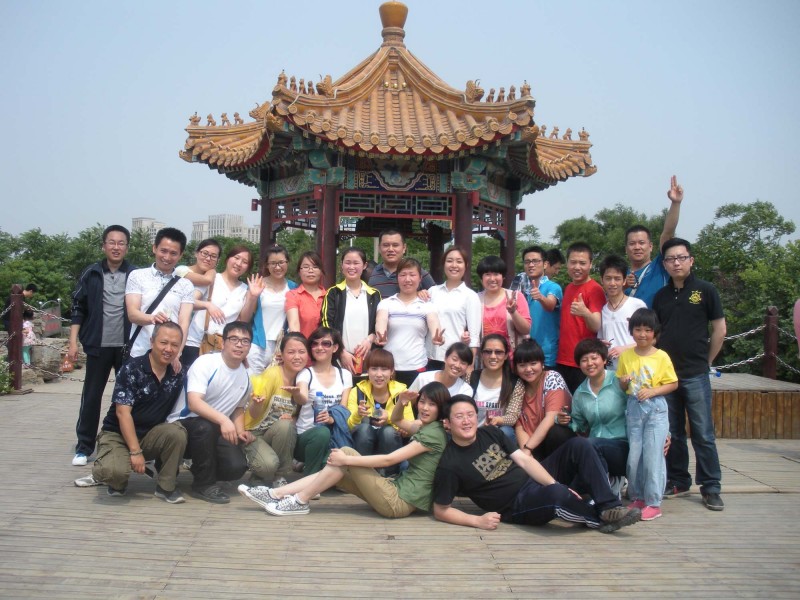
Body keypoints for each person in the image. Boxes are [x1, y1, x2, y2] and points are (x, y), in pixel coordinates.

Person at [432, 395, 641, 533]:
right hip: (517, 504)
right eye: (459, 417)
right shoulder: (450, 464)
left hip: (532, 479)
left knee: (579, 445)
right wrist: (477, 521)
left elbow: (524, 460)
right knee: (557, 496)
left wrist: (553, 483)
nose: (467, 421)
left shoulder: (490, 433)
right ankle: (599, 519)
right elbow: (440, 510)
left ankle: (609, 506)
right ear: (447, 423)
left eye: (470, 415)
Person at [238, 381, 448, 518]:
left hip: (398, 502)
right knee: (335, 471)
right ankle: (276, 494)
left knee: (346, 453)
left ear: (441, 408)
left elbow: (389, 460)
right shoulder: (426, 426)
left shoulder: (433, 434)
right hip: (395, 491)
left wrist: (347, 460)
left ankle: (299, 501)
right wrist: (401, 402)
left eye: (432, 404)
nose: (424, 408)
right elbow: (398, 420)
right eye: (422, 402)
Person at [75, 322, 187, 503]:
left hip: (150, 435)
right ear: (152, 341)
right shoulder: (132, 369)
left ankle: (166, 486)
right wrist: (135, 452)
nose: (169, 349)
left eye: (175, 345)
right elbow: (122, 413)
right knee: (114, 474)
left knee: (177, 432)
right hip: (117, 434)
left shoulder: (178, 373)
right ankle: (109, 470)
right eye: (163, 343)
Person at [653, 238, 726, 511]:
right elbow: (655, 334)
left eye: (681, 257)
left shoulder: (705, 290)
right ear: (664, 264)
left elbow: (720, 329)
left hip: (695, 373)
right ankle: (678, 480)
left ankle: (711, 486)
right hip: (667, 376)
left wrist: (707, 361)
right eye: (670, 259)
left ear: (691, 260)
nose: (676, 263)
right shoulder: (660, 296)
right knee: (672, 432)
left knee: (703, 433)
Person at [68, 225, 137, 466]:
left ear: (127, 247)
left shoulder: (135, 274)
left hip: (127, 347)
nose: (116, 247)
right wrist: (73, 342)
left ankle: (127, 444)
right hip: (98, 345)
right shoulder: (92, 273)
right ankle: (84, 447)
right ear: (104, 246)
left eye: (121, 243)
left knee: (127, 399)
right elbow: (78, 308)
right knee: (91, 396)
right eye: (112, 242)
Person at [166, 321, 253, 503]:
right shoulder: (206, 362)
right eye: (234, 339)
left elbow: (238, 407)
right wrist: (224, 420)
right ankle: (203, 485)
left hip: (215, 428)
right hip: (185, 424)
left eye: (245, 341)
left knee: (236, 468)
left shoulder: (246, 375)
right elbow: (194, 403)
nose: (239, 345)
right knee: (203, 427)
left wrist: (240, 431)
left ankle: (201, 468)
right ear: (223, 342)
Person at [617, 309, 678, 521]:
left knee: (653, 456)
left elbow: (673, 383)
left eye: (647, 330)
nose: (642, 334)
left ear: (654, 333)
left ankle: (653, 502)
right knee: (635, 456)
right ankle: (638, 497)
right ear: (631, 331)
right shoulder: (626, 356)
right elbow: (621, 385)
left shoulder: (661, 356)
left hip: (655, 408)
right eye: (638, 329)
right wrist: (623, 382)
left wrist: (652, 391)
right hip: (634, 408)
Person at [244, 332, 310, 488]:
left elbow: (299, 413)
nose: (297, 357)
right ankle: (259, 474)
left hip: (276, 433)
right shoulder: (272, 374)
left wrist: (292, 419)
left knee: (286, 425)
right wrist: (257, 404)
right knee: (268, 466)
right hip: (254, 433)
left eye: (301, 352)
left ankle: (279, 477)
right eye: (291, 352)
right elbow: (253, 413)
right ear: (282, 354)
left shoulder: (304, 378)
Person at [125, 227, 195, 369]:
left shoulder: (186, 285)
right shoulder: (137, 276)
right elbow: (132, 314)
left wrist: (177, 353)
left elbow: (184, 322)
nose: (167, 257)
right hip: (139, 352)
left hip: (169, 356)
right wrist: (152, 318)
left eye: (173, 253)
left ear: (180, 255)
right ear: (154, 248)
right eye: (163, 251)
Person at [568, 338, 629, 496]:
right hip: (595, 451)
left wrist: (666, 434)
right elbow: (580, 425)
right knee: (582, 447)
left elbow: (641, 407)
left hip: (623, 447)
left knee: (590, 446)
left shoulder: (619, 381)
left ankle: (606, 493)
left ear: (604, 359)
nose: (590, 363)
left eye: (594, 358)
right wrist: (564, 420)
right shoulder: (580, 393)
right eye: (584, 360)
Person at [182, 245, 255, 369]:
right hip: (196, 341)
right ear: (227, 259)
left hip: (222, 347)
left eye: (245, 262)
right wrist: (208, 305)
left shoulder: (245, 289)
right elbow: (189, 302)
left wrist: (253, 296)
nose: (239, 263)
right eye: (236, 258)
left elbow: (243, 321)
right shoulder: (212, 279)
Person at [375, 257, 444, 387]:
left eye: (412, 275)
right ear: (397, 278)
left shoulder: (427, 306)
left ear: (420, 278)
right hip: (390, 367)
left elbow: (434, 323)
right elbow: (381, 320)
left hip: (417, 366)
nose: (407, 279)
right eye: (403, 275)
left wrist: (437, 337)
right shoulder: (386, 303)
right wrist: (380, 335)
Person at [345, 348, 414, 476]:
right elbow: (348, 426)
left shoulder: (401, 392)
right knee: (364, 429)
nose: (379, 374)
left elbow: (410, 426)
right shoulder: (357, 391)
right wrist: (358, 415)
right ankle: (361, 474)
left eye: (384, 369)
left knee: (388, 432)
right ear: (367, 370)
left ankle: (388, 475)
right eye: (374, 369)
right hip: (363, 444)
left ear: (392, 371)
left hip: (390, 447)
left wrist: (390, 418)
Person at [294, 327, 353, 475]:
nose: (319, 347)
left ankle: (313, 466)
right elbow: (302, 397)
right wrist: (296, 394)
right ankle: (309, 479)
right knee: (321, 433)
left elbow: (344, 409)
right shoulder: (306, 373)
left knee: (335, 465)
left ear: (335, 348)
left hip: (334, 438)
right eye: (315, 344)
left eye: (326, 344)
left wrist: (332, 419)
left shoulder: (344, 375)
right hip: (306, 437)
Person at [624, 175, 683, 307]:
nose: (637, 247)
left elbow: (667, 233)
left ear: (650, 246)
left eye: (641, 243)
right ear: (626, 249)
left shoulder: (660, 266)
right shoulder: (619, 276)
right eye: (632, 244)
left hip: (656, 320)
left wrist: (675, 203)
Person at [321, 247, 381, 375]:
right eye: (347, 263)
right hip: (340, 358)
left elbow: (380, 323)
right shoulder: (334, 293)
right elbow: (326, 324)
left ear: (364, 265)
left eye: (356, 263)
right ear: (342, 265)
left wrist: (370, 339)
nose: (351, 267)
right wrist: (340, 351)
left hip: (368, 358)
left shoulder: (374, 294)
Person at [555, 242, 605, 394]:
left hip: (582, 361)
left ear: (590, 264)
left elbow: (596, 325)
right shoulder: (569, 287)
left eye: (582, 263)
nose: (577, 267)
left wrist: (585, 312)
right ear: (567, 263)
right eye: (573, 262)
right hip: (563, 358)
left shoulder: (595, 289)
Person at [513, 339, 574, 460]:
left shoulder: (552, 378)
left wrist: (528, 448)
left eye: (533, 363)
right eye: (522, 365)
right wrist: (527, 455)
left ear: (542, 363)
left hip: (554, 442)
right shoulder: (517, 386)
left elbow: (551, 418)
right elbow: (519, 427)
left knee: (557, 432)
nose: (528, 369)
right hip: (532, 444)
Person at [244, 244, 297, 374]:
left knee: (277, 385)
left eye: (281, 262)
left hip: (281, 346)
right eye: (273, 263)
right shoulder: (257, 284)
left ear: (288, 263)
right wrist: (252, 296)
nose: (277, 267)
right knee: (253, 383)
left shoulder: (293, 287)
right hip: (258, 344)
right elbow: (245, 318)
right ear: (267, 265)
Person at [426, 246, 481, 371]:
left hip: (456, 361)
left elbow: (474, 337)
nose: (454, 265)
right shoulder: (432, 291)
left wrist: (470, 367)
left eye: (459, 261)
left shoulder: (470, 296)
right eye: (449, 261)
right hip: (429, 358)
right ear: (443, 264)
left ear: (466, 266)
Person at [511, 245, 562, 369]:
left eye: (535, 261)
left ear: (545, 264)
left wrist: (540, 297)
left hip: (547, 355)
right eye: (527, 262)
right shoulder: (525, 290)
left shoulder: (553, 287)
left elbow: (550, 305)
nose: (531, 265)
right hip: (527, 354)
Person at [470, 334, 522, 442]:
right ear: (482, 354)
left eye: (498, 352)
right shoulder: (471, 377)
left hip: (497, 433)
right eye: (488, 352)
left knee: (506, 431)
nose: (493, 356)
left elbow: (512, 416)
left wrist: (496, 420)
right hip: (470, 431)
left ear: (506, 355)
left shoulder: (514, 382)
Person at [598, 254, 646, 370]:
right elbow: (600, 338)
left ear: (624, 280)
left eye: (617, 278)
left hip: (636, 370)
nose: (612, 283)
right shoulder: (602, 310)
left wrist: (625, 348)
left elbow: (651, 339)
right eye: (608, 278)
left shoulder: (637, 305)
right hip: (611, 372)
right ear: (602, 280)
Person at [477, 256, 531, 359]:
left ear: (503, 277)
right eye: (487, 274)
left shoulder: (516, 296)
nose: (492, 279)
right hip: (486, 360)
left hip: (512, 359)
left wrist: (513, 312)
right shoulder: (475, 299)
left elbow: (526, 330)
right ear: (481, 278)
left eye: (496, 274)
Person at [368, 229, 435, 298]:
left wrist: (418, 294)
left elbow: (435, 296)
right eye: (386, 245)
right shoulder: (370, 273)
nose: (390, 249)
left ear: (404, 248)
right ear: (379, 248)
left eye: (395, 245)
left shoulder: (417, 272)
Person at [285, 251, 327, 340]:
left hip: (325, 347)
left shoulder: (329, 296)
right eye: (306, 267)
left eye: (315, 267)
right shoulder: (293, 295)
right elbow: (294, 325)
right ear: (299, 272)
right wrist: (299, 345)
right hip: (303, 346)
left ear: (321, 271)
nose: (310, 270)